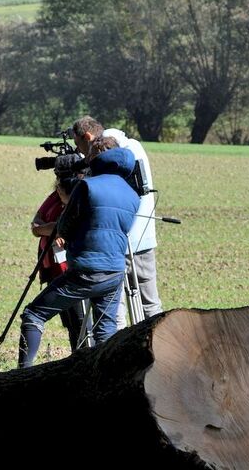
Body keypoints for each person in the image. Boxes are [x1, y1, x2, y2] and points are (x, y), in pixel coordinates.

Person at [18, 137, 139, 368]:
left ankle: (22, 376)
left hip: (85, 269)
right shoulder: (131, 193)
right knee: (105, 332)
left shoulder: (86, 186)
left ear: (95, 158)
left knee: (33, 315)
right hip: (114, 271)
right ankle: (105, 385)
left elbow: (63, 227)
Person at [71, 116, 162, 325]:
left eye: (80, 146)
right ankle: (158, 350)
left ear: (88, 137)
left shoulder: (110, 157)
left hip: (116, 242)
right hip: (144, 238)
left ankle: (116, 354)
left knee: (112, 310)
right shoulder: (134, 146)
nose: (83, 155)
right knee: (151, 307)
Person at [30, 172, 84, 352]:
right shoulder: (54, 197)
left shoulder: (79, 202)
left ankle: (81, 357)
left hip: (70, 271)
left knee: (79, 320)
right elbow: (36, 225)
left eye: (60, 186)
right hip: (53, 267)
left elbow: (60, 227)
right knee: (69, 322)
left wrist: (50, 228)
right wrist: (50, 229)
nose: (56, 187)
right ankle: (74, 357)